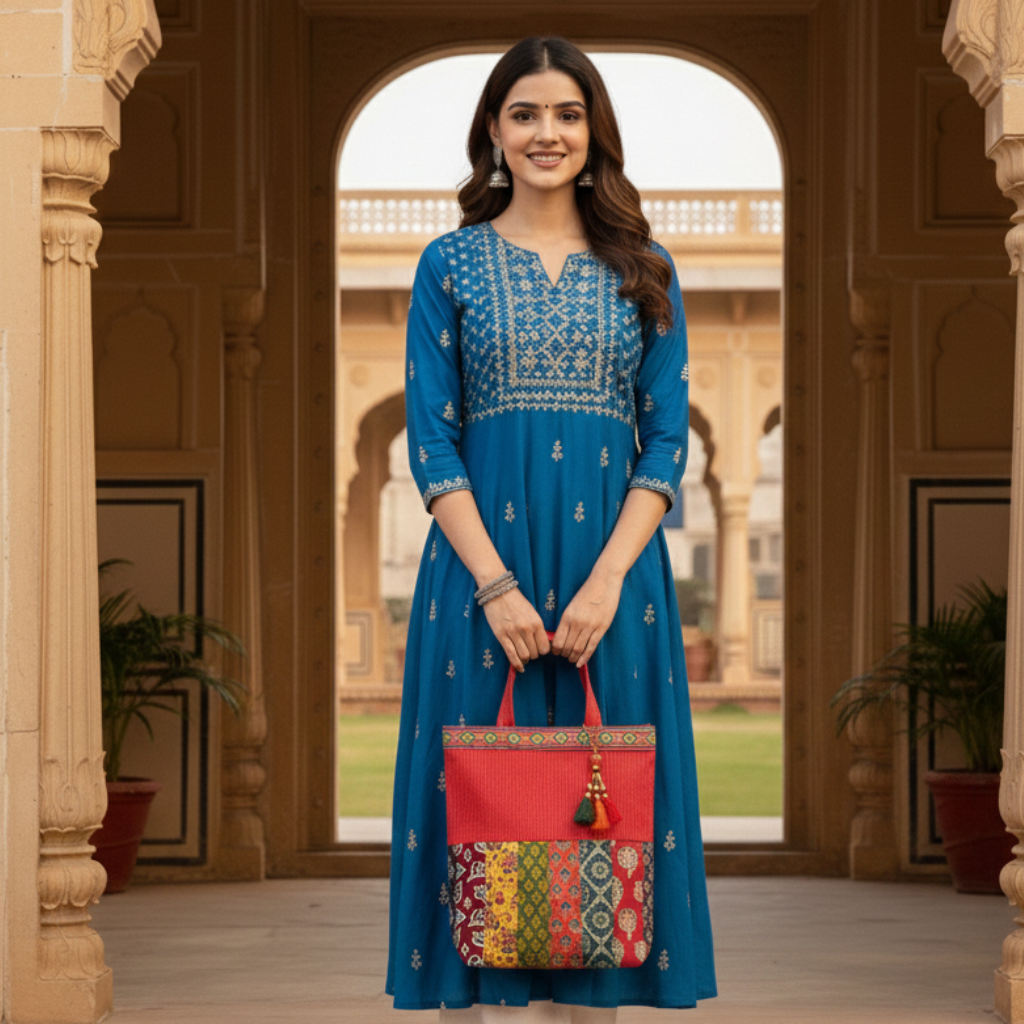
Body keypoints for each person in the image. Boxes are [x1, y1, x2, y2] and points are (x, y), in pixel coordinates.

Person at [385, 36, 717, 1021]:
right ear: (493, 129)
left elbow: (666, 441)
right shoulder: (449, 264)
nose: (546, 133)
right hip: (477, 584)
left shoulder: (643, 268)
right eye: (525, 113)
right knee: (482, 820)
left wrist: (607, 582)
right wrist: (495, 587)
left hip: (614, 588)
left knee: (601, 824)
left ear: (593, 131)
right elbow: (431, 442)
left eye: (567, 114)